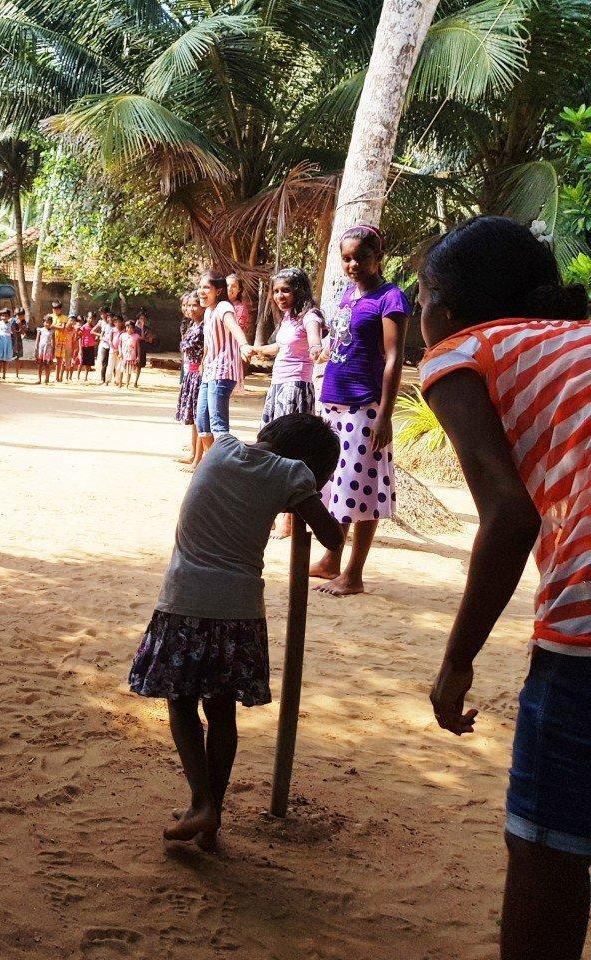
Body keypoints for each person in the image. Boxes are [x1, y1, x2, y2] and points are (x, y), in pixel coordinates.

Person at [416, 216, 591, 960]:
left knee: (550, 851)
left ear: (445, 310)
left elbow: (509, 515)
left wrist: (457, 663)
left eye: (420, 292)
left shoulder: (460, 352)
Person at [128, 414, 342, 851]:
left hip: (184, 598)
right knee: (221, 709)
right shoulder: (292, 474)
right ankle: (211, 810)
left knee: (182, 702)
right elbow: (332, 537)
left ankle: (201, 803)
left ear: (268, 435)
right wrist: (304, 494)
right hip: (237, 610)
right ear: (310, 464)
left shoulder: (220, 447)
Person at [309, 225, 408, 597]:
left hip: (365, 406)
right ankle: (331, 559)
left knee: (362, 489)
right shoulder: (348, 294)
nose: (352, 264)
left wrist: (384, 412)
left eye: (360, 257)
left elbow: (395, 357)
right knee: (338, 486)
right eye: (346, 258)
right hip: (335, 400)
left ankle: (354, 574)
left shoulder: (391, 298)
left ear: (377, 257)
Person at [246, 267, 324, 538]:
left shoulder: (310, 316)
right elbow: (281, 348)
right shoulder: (288, 319)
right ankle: (271, 511)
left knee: (290, 451)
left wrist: (317, 350)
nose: (279, 296)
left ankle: (289, 521)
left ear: (299, 290)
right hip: (278, 388)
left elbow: (314, 342)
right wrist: (257, 350)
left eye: (285, 290)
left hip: (296, 389)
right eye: (276, 291)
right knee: (270, 446)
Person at [194, 270, 250, 463]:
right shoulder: (208, 312)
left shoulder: (224, 307)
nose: (201, 291)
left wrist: (243, 345)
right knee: (202, 420)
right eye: (200, 287)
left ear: (218, 291)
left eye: (206, 287)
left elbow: (234, 327)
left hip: (223, 370)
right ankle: (212, 465)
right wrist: (203, 362)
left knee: (218, 424)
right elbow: (209, 343)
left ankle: (224, 466)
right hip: (209, 371)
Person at [176, 292, 205, 465]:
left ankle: (198, 460)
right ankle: (194, 453)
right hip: (191, 374)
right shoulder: (192, 326)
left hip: (200, 374)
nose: (190, 309)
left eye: (195, 305)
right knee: (194, 418)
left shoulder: (205, 326)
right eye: (187, 306)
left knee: (200, 418)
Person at [0, 307, 15, 380]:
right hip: (0, 343)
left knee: (5, 360)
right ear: (0, 316)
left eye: (6, 316)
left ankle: (4, 375)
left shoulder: (11, 324)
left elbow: (14, 334)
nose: (4, 317)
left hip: (7, 343)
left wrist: (14, 345)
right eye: (2, 315)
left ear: (9, 316)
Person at [96, 306, 116, 384]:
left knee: (113, 363)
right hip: (105, 346)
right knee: (104, 362)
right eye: (108, 318)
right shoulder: (105, 326)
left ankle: (114, 379)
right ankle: (102, 379)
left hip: (113, 347)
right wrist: (105, 339)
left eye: (111, 318)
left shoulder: (115, 327)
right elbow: (101, 336)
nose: (109, 319)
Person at [35, 316, 55, 384]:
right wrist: (36, 349)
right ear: (43, 323)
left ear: (51, 323)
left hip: (48, 350)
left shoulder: (52, 331)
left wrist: (53, 351)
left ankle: (47, 379)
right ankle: (39, 379)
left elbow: (53, 342)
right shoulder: (40, 330)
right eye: (46, 322)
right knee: (40, 365)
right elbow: (37, 340)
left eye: (49, 323)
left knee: (47, 365)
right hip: (41, 350)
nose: (47, 324)